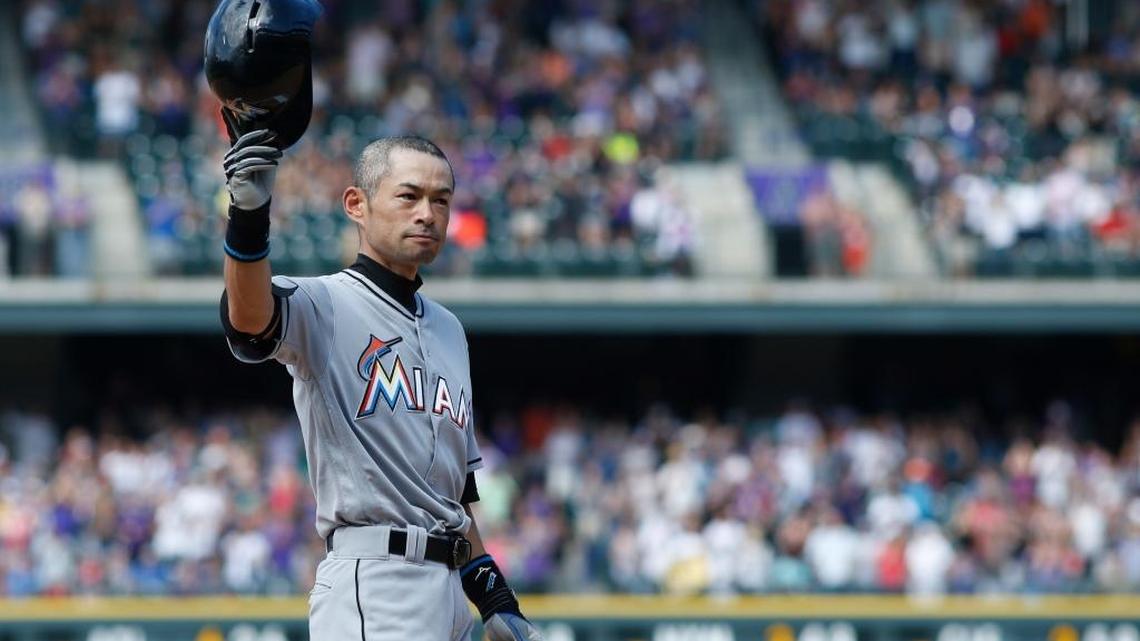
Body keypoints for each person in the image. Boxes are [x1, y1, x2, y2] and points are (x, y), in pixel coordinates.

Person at [219, 129, 543, 641]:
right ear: (357, 204)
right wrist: (249, 218)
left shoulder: (450, 330)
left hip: (450, 589)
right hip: (375, 581)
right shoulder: (323, 303)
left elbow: (455, 493)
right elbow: (250, 319)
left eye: (441, 200)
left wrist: (493, 596)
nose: (427, 214)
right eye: (409, 195)